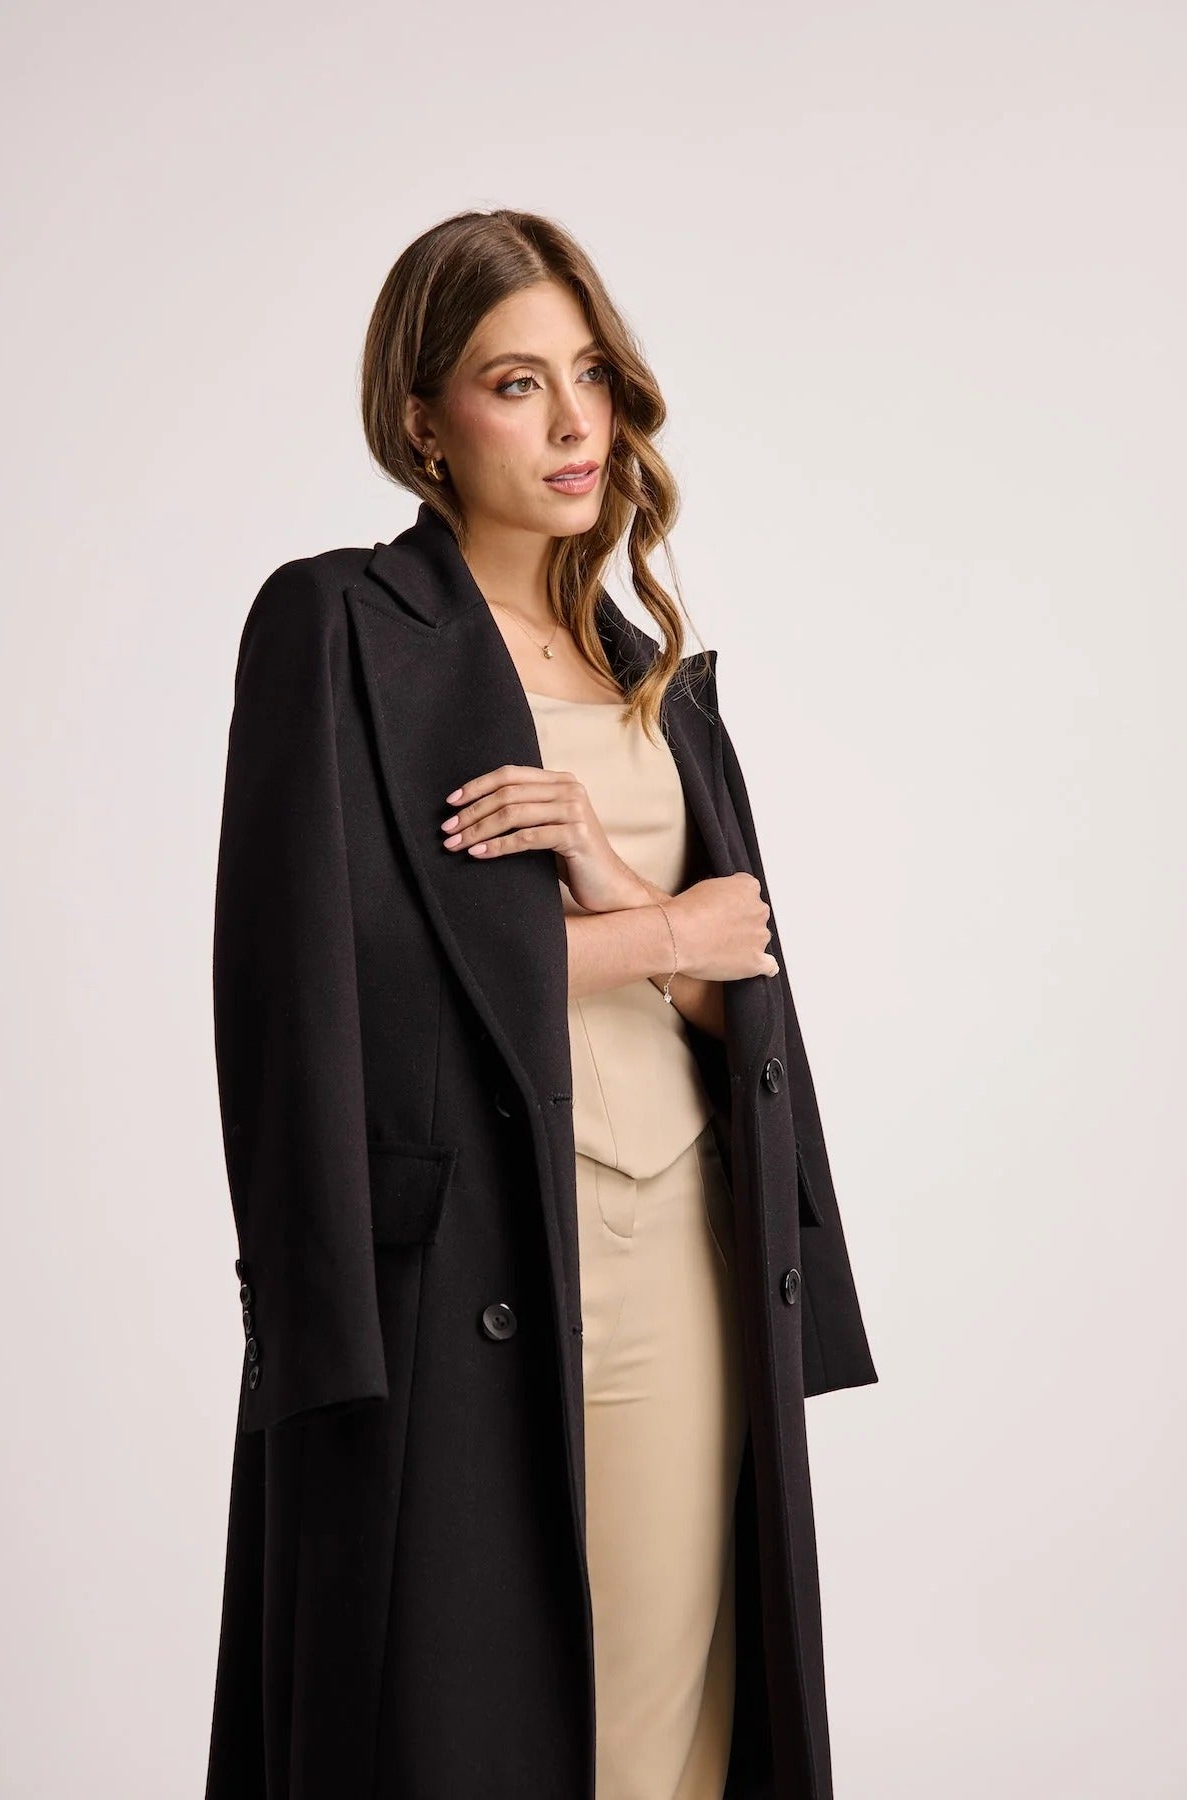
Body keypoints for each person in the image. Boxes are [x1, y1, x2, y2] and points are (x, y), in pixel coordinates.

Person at [205, 208, 878, 1800]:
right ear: (423, 419)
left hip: (683, 1247)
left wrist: (623, 893)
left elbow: (738, 988)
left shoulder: (649, 673)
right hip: (466, 1259)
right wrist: (660, 931)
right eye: (516, 382)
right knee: (449, 1725)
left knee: (663, 1711)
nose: (574, 422)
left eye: (590, 374)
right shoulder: (341, 624)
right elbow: (319, 991)